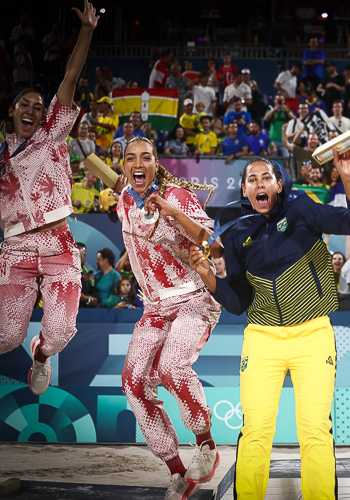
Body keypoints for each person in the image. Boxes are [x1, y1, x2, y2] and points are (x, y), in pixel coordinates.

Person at [188, 149, 350, 499]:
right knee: (255, 431)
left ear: (279, 183)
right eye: (251, 179)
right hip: (262, 337)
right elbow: (239, 303)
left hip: (313, 334)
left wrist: (348, 177)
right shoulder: (238, 232)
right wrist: (208, 276)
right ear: (244, 190)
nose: (259, 184)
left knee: (315, 430)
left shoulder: (302, 208)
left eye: (266, 177)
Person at [0, 0, 97, 396]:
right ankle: (25, 347)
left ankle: (42, 356)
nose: (33, 109)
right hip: (16, 248)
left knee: (59, 333)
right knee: (5, 338)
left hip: (58, 243)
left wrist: (87, 30)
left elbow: (71, 76)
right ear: (11, 110)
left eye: (38, 107)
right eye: (25, 104)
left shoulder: (54, 132)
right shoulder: (1, 151)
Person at [118, 137, 221, 499]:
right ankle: (177, 471)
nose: (137, 163)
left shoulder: (176, 196)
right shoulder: (124, 201)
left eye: (145, 157)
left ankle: (206, 445)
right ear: (124, 166)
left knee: (172, 368)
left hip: (193, 298)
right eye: (130, 158)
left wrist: (172, 212)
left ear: (156, 162)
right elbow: (138, 235)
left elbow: (213, 243)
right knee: (132, 383)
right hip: (154, 307)